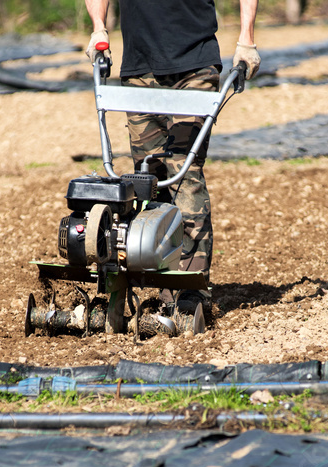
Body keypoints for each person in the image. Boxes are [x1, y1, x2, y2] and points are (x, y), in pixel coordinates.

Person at [84, 0, 260, 315]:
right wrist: (99, 26)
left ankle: (192, 290)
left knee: (185, 174)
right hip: (139, 68)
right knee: (146, 180)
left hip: (195, 65)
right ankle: (164, 289)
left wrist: (246, 40)